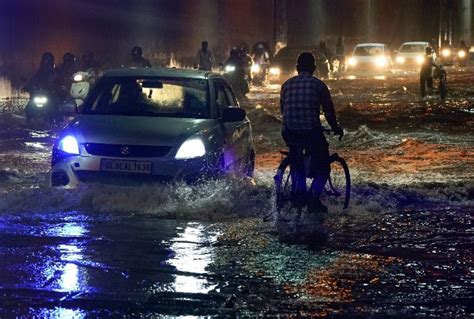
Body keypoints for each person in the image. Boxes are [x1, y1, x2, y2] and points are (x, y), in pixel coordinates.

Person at [280, 52, 343, 212]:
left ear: (297, 68)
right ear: (314, 68)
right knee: (323, 167)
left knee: (296, 160)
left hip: (290, 132)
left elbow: (283, 110)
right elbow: (329, 111)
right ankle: (312, 199)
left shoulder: (286, 85)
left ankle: (297, 193)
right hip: (310, 132)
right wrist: (336, 127)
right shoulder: (319, 85)